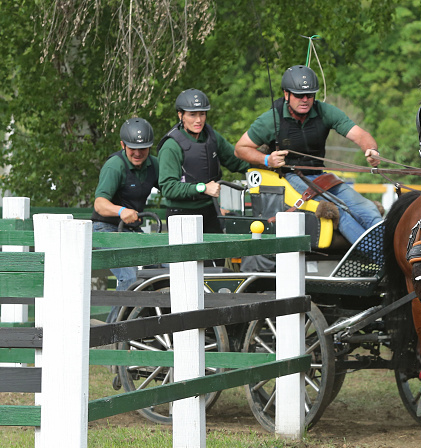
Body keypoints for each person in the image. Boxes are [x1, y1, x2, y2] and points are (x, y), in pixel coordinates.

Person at [234, 65, 383, 245]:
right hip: (291, 177)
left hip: (321, 177)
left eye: (310, 95)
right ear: (286, 94)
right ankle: (379, 256)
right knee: (339, 212)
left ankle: (389, 255)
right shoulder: (270, 119)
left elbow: (360, 135)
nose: (305, 100)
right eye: (299, 95)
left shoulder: (324, 111)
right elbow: (240, 148)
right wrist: (267, 159)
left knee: (368, 210)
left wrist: (371, 150)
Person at [92, 117, 158, 319]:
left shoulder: (154, 165)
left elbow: (172, 188)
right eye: (132, 148)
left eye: (143, 149)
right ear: (123, 145)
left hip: (132, 230)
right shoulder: (115, 166)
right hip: (107, 229)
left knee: (161, 269)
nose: (138, 153)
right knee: (129, 277)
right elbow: (99, 204)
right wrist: (121, 211)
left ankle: (150, 327)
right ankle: (114, 333)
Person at [158, 88, 249, 235]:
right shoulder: (171, 146)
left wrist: (263, 165)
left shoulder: (211, 137)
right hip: (181, 215)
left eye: (202, 114)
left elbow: (237, 161)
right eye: (192, 115)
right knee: (189, 258)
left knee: (217, 257)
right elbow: (168, 188)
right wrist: (202, 188)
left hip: (210, 209)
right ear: (180, 115)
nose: (198, 120)